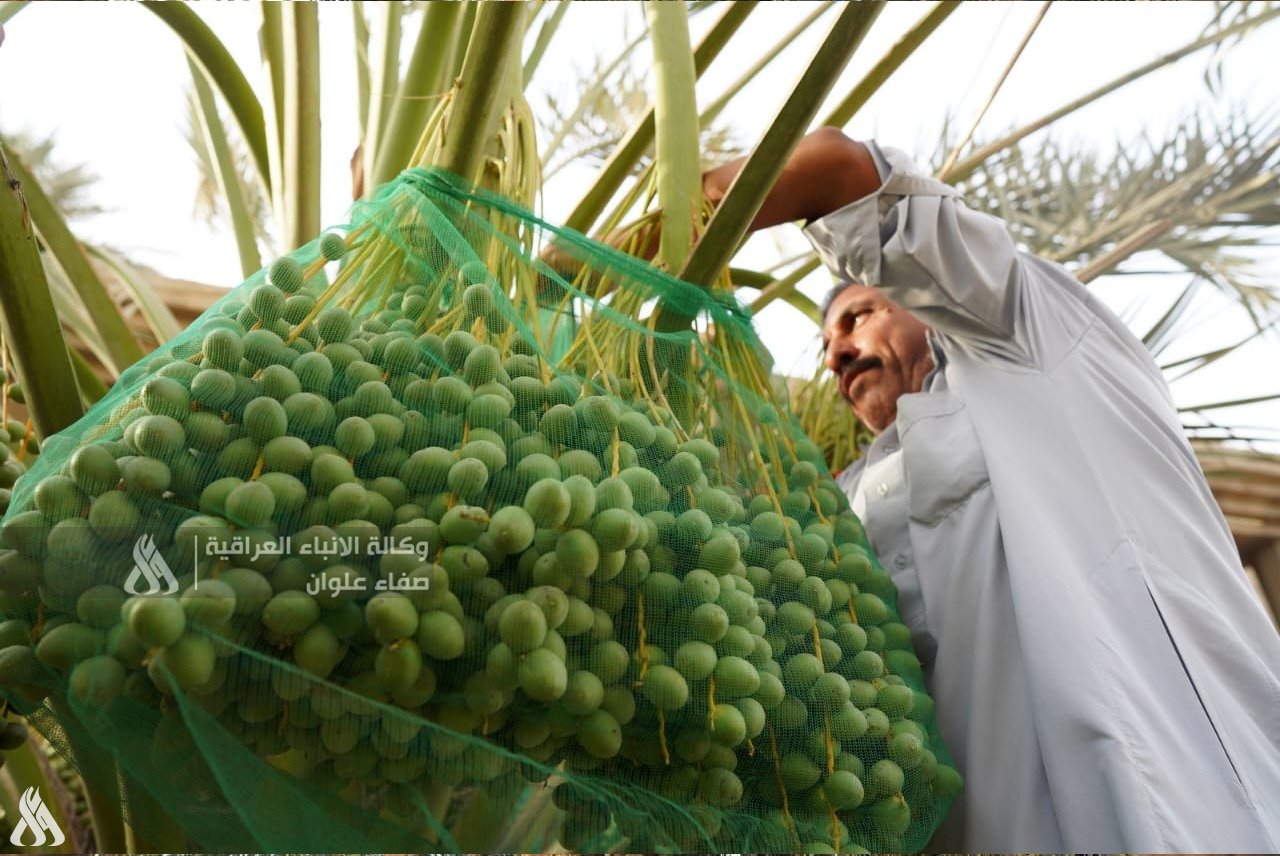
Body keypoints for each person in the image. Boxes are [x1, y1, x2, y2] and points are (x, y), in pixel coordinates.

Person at [701, 128, 1280, 852]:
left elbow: (852, 179)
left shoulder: (1028, 339)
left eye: (860, 316)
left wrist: (700, 204)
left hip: (1191, 815)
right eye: (826, 349)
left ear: (926, 301)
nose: (839, 354)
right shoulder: (842, 502)